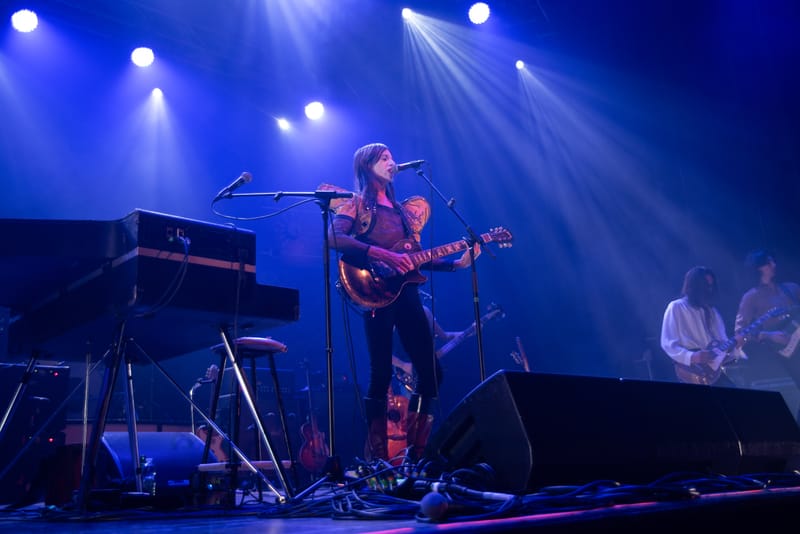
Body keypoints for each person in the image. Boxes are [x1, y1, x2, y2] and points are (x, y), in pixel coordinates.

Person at [327, 142, 479, 463]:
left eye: (392, 157)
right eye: (384, 158)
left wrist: (457, 264)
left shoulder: (403, 214)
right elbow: (334, 238)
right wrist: (379, 253)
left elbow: (414, 260)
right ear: (367, 166)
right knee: (380, 374)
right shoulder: (355, 205)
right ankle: (380, 459)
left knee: (432, 372)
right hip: (373, 290)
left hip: (407, 294)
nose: (392, 162)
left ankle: (415, 454)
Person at [660, 266, 744, 386]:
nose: (709, 290)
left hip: (712, 371)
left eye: (711, 286)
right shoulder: (676, 307)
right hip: (691, 369)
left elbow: (722, 344)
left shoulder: (713, 312)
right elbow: (667, 343)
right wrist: (691, 356)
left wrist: (736, 346)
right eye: (705, 286)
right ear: (694, 286)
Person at [735, 250, 800, 406]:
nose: (774, 265)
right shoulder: (751, 297)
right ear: (758, 268)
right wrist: (768, 335)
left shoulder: (791, 288)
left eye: (773, 261)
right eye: (769, 263)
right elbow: (739, 333)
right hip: (783, 354)